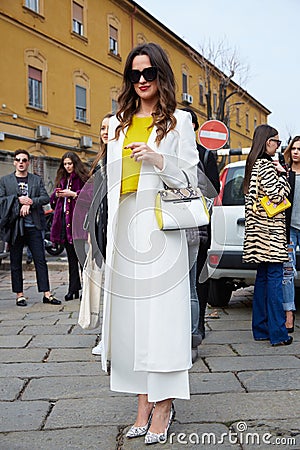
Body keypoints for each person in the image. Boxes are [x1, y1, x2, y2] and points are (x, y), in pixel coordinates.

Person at [98, 42, 198, 444]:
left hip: (159, 226)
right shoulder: (116, 123)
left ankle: (165, 402)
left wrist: (158, 160)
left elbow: (191, 178)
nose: (141, 81)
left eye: (149, 73)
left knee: (164, 318)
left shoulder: (178, 121)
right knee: (131, 319)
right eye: (134, 74)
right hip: (124, 224)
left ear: (161, 75)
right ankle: (142, 400)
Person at [243, 124, 293, 346]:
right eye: (277, 142)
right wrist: (284, 177)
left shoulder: (252, 164)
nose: (278, 146)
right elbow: (277, 195)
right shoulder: (267, 166)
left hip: (257, 234)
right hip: (270, 233)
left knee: (262, 280)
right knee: (274, 280)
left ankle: (261, 329)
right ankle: (278, 333)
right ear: (267, 142)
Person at [182, 108, 220, 361]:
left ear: (194, 126)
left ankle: (197, 328)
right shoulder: (166, 150)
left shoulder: (204, 153)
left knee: (197, 281)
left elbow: (214, 188)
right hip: (170, 224)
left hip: (198, 225)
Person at [0, 149, 61, 306]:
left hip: (34, 225)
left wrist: (31, 202)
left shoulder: (36, 179)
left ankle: (47, 294)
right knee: (15, 261)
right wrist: (19, 201)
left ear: (28, 162)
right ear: (14, 162)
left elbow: (45, 197)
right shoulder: (5, 181)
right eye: (18, 160)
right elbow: (1, 201)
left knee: (40, 260)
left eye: (24, 160)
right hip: (15, 226)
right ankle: (19, 295)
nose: (21, 162)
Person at [50, 152, 89, 301]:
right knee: (71, 258)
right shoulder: (62, 179)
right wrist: (57, 194)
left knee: (81, 258)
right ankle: (73, 289)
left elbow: (89, 197)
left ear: (75, 164)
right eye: (65, 164)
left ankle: (86, 288)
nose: (67, 167)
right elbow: (53, 202)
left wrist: (73, 194)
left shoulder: (82, 178)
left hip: (77, 224)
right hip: (64, 225)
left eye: (70, 164)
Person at [89, 113, 113, 356]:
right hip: (102, 227)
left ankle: (110, 338)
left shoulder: (120, 155)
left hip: (120, 226)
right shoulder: (100, 159)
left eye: (109, 126)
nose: (105, 131)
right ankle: (106, 337)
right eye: (102, 127)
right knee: (108, 284)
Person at [282, 136, 300, 332]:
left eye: (299, 149)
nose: (296, 152)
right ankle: (289, 313)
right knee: (287, 273)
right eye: (293, 148)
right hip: (289, 230)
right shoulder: (286, 174)